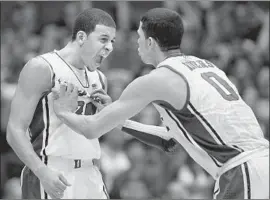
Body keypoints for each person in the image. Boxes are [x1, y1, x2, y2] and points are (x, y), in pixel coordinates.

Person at [52, 8, 269, 199]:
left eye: (139, 36)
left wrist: (63, 111)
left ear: (150, 42)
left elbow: (92, 128)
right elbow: (170, 141)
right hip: (260, 162)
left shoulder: (156, 79)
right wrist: (118, 119)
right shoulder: (207, 66)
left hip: (243, 170)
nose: (136, 43)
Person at [6, 7, 178, 199]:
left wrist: (108, 114)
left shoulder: (99, 78)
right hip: (51, 170)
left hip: (90, 173)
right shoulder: (42, 67)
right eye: (103, 39)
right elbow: (14, 131)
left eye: (112, 41)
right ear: (81, 37)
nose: (109, 47)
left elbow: (95, 130)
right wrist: (41, 171)